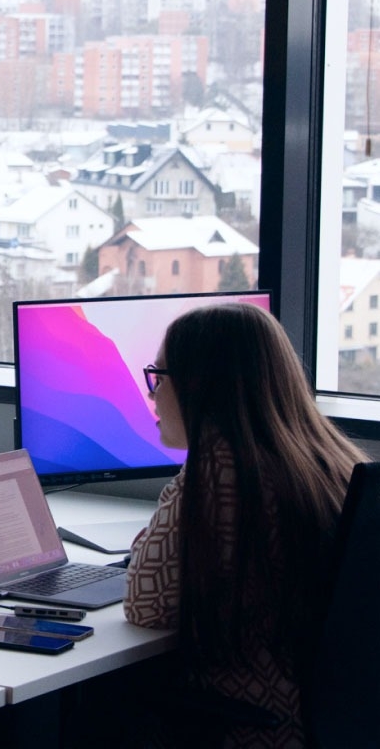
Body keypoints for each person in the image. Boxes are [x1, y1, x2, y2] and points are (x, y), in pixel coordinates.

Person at [125, 302, 367, 747]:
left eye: (160, 376)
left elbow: (145, 606)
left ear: (201, 385)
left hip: (252, 724)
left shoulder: (220, 472)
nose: (153, 393)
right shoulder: (327, 458)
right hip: (329, 721)